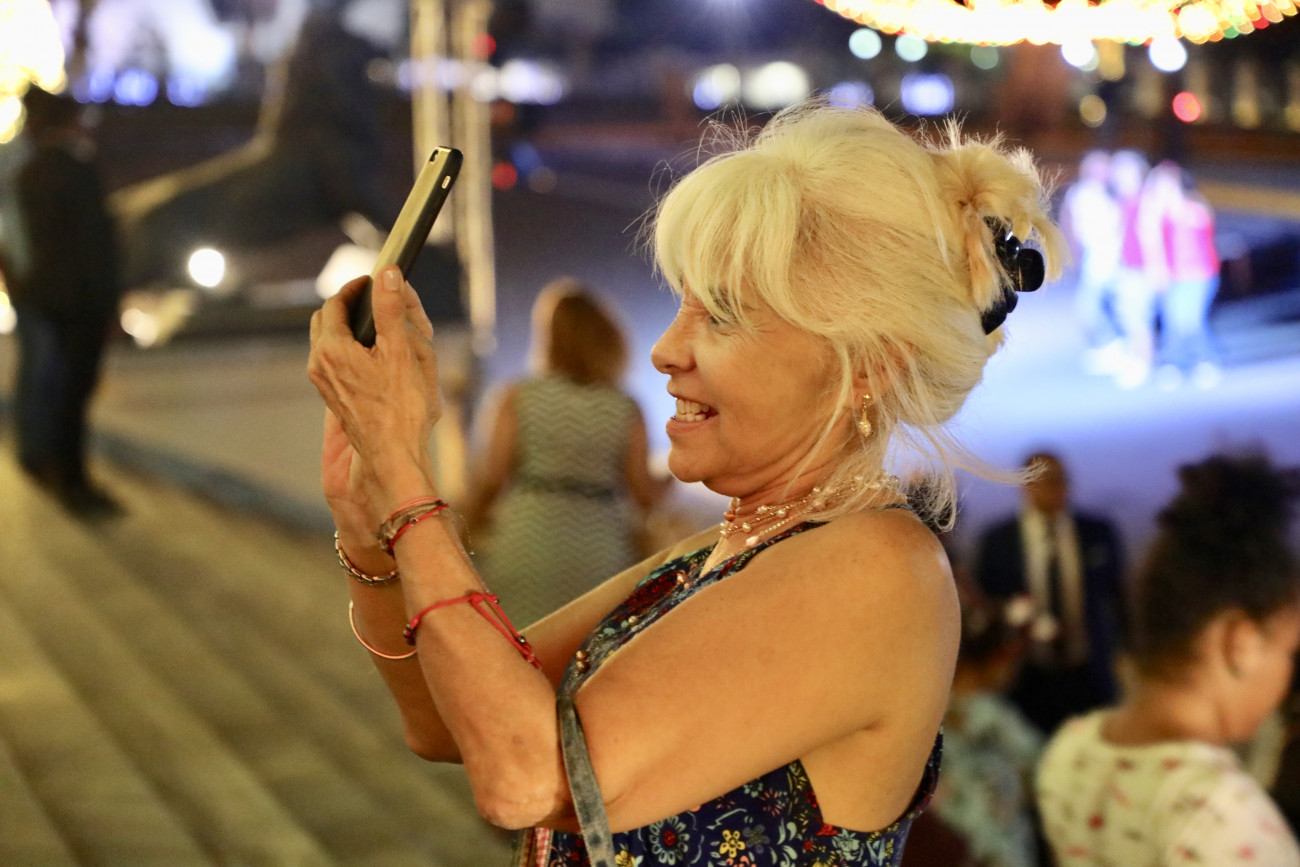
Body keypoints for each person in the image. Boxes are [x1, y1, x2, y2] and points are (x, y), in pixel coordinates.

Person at [307, 99, 1063, 865]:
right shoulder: (724, 553)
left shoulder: (880, 568)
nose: (666, 348)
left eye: (722, 314)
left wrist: (408, 485)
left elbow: (528, 777)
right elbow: (448, 721)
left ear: (869, 365)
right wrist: (369, 528)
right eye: (683, 304)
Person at [1036, 453, 1300, 866]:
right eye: (1288, 651)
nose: (1287, 673)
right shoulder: (1228, 820)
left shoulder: (1070, 750)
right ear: (1241, 643)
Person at [464, 278, 669, 629]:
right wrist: (675, 476)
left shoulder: (519, 396)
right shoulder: (623, 406)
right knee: (589, 649)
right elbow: (645, 495)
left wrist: (467, 525)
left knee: (519, 645)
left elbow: (493, 477)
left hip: (527, 539)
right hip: (599, 548)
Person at [0, 85, 123, 516]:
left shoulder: (28, 171)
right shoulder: (76, 170)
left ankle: (45, 462)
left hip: (43, 293)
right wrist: (110, 304)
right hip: (80, 300)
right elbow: (96, 246)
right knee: (73, 391)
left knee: (47, 381)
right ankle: (72, 480)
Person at [974, 452, 1126, 735]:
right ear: (1025, 485)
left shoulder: (1097, 533)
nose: (1056, 488)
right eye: (1045, 480)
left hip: (1088, 675)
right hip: (1026, 678)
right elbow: (987, 606)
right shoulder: (998, 542)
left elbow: (1120, 599)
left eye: (1061, 479)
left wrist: (1125, 654)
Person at [933, 595, 1045, 867]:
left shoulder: (927, 712)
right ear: (1000, 659)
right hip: (1000, 848)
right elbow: (1041, 770)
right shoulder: (995, 718)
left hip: (947, 847)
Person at [1137, 161, 1222, 389]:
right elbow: (1149, 241)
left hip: (1200, 273)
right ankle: (1174, 363)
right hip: (1172, 275)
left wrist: (1173, 204)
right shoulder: (1154, 213)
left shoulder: (1194, 206)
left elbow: (1203, 223)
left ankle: (1206, 360)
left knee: (1191, 319)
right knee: (1173, 321)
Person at [1057, 151, 1124, 376]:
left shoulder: (1116, 193)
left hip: (1115, 258)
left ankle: (1114, 345)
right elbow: (1069, 223)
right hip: (1093, 257)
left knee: (1094, 306)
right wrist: (1071, 253)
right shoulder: (1079, 192)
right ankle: (1109, 345)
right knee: (1091, 307)